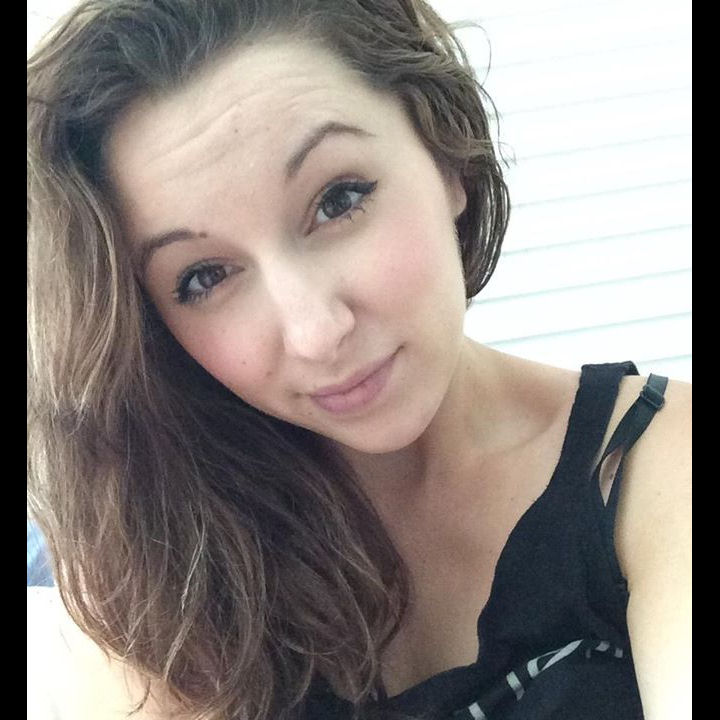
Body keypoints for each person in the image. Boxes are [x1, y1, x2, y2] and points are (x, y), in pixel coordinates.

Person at [26, 1, 691, 719]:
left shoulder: (660, 469)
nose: (316, 333)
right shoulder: (160, 552)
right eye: (205, 277)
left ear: (446, 157)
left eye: (339, 201)